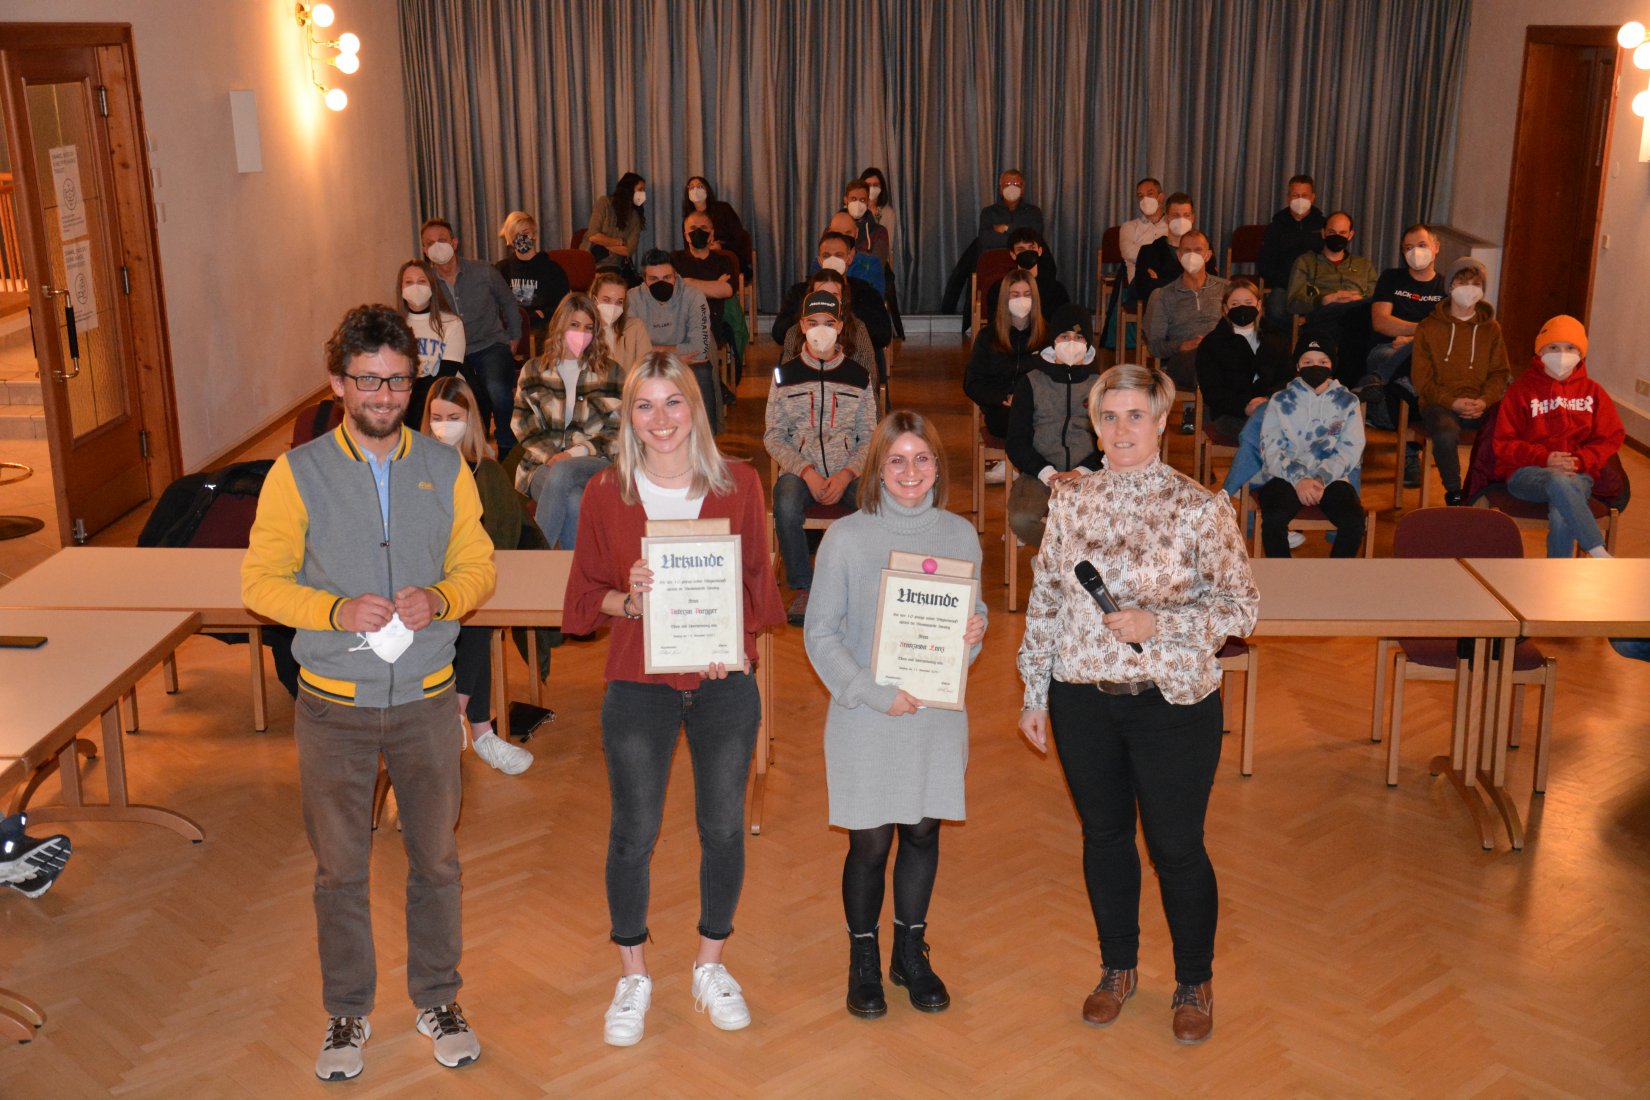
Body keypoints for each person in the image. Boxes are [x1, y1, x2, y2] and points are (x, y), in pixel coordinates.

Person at [242, 304, 496, 1080]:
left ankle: (438, 999)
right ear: (337, 383)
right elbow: (260, 583)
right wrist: (334, 610)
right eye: (368, 380)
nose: (384, 396)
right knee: (340, 871)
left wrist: (442, 599)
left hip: (425, 702)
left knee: (437, 863)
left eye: (397, 381)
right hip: (333, 708)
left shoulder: (445, 467)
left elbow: (478, 566)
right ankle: (346, 1013)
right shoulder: (298, 473)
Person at [1016, 362, 1258, 1046]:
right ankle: (1117, 969)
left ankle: (1193, 980)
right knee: (1104, 838)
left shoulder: (1200, 507)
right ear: (1095, 426)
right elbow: (1047, 597)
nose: (1122, 429)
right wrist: (1035, 690)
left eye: (1135, 415)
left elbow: (1242, 607)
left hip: (1171, 704)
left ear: (1161, 422)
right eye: (1109, 416)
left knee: (1177, 848)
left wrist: (1162, 624)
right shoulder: (1071, 500)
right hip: (1081, 698)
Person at [562, 352, 784, 1047]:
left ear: (695, 407)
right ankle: (632, 974)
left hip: (722, 684)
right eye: (645, 405)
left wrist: (737, 643)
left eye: (673, 402)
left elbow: (757, 584)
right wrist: (629, 599)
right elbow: (582, 600)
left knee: (723, 829)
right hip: (638, 683)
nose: (661, 419)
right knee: (634, 832)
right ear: (629, 416)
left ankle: (709, 964)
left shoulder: (739, 483)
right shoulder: (606, 492)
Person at [803, 410, 988, 1018]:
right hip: (865, 713)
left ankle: (910, 952)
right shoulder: (846, 537)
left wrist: (975, 632)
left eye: (922, 458)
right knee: (870, 843)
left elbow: (971, 617)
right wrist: (872, 692)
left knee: (923, 831)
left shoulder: (960, 535)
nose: (911, 471)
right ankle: (863, 957)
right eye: (898, 460)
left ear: (938, 465)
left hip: (935, 712)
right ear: (878, 469)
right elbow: (819, 634)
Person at [422, 376, 535, 775]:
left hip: (471, 577)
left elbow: (500, 537)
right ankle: (481, 732)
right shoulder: (415, 467)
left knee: (475, 614)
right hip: (425, 580)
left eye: (453, 418)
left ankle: (458, 715)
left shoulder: (486, 472)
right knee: (468, 615)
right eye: (436, 417)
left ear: (470, 419)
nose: (443, 427)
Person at [764, 290, 878, 625]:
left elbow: (870, 437)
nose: (820, 329)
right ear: (802, 325)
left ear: (840, 327)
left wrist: (847, 474)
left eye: (828, 323)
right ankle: (805, 588)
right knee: (785, 501)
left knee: (874, 502)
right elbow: (773, 435)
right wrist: (806, 471)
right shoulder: (784, 375)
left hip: (848, 472)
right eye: (813, 322)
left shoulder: (858, 376)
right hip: (800, 473)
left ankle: (860, 585)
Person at [1490, 315, 1624, 558]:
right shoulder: (1520, 391)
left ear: (1581, 353)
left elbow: (1609, 438)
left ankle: (1556, 575)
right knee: (1557, 479)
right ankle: (1598, 550)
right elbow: (1504, 442)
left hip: (1578, 474)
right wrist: (1545, 459)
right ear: (1540, 351)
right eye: (1553, 347)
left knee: (1562, 514)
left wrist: (1579, 461)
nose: (1562, 354)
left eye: (1570, 347)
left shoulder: (1594, 392)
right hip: (1526, 474)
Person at [512, 294, 625, 549]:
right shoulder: (533, 370)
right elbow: (522, 423)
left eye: (588, 327)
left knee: (564, 471)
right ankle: (574, 570)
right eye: (574, 325)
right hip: (541, 465)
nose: (581, 333)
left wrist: (574, 453)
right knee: (573, 500)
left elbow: (619, 430)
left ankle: (535, 560)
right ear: (560, 325)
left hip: (596, 463)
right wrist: (551, 455)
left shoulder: (612, 372)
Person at [1411, 257, 1511, 505]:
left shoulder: (1492, 329)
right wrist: (1452, 402)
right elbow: (1422, 379)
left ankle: (1485, 488)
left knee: (1505, 429)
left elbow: (1500, 373)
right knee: (1445, 433)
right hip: (1440, 403)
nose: (1469, 288)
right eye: (1462, 282)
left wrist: (1484, 400)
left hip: (1481, 403)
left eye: (1476, 284)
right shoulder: (1428, 327)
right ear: (1450, 287)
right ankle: (1455, 492)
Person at [1256, 336, 1367, 558]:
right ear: (1297, 366)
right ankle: (1282, 575)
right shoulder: (1280, 400)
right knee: (1274, 520)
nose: (1315, 367)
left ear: (1332, 365)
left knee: (1354, 522)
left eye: (1322, 362)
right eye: (1307, 362)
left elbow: (1350, 448)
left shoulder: (1347, 401)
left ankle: (1334, 576)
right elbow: (1271, 448)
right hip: (1285, 475)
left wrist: (1320, 479)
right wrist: (1299, 479)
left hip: (1331, 477)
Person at [420, 217, 524, 452]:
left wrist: (514, 338)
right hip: (451, 353)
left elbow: (508, 302)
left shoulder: (484, 271)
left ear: (454, 243)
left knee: (498, 391)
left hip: (490, 345)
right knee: (465, 398)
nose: (437, 246)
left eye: (442, 240)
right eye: (430, 243)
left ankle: (507, 446)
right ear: (425, 250)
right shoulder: (426, 283)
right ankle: (473, 448)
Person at [1005, 304, 1102, 551]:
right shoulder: (1031, 382)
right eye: (1064, 337)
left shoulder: (1100, 385)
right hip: (1040, 472)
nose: (1072, 343)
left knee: (1101, 524)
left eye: (1079, 338)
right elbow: (1016, 441)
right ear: (1053, 342)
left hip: (1089, 475)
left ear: (1088, 344)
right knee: (1021, 519)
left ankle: (1055, 559)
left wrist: (1082, 471)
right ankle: (1062, 558)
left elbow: (1109, 442)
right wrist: (1045, 472)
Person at [1194, 277, 1292, 498]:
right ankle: (1258, 489)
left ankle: (1242, 484)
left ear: (1259, 305)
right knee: (1270, 431)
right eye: (1235, 304)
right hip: (1231, 414)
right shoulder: (1212, 344)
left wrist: (1267, 400)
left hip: (1273, 409)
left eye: (1248, 303)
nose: (1242, 308)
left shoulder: (1277, 338)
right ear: (1225, 309)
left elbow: (1287, 379)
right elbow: (1213, 391)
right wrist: (1245, 406)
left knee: (1274, 426)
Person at [966, 270, 1047, 486]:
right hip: (1001, 409)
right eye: (1015, 295)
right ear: (1005, 299)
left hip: (1038, 407)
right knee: (1015, 419)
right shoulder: (987, 337)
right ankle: (1018, 463)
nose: (1022, 300)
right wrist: (1003, 397)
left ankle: (1030, 466)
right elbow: (972, 383)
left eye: (1027, 294)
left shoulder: (1047, 336)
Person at [1359, 223, 1446, 411]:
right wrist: (1424, 330)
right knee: (1409, 361)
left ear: (1436, 247)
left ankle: (1381, 384)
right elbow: (1381, 322)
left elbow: (1446, 333)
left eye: (1422, 245)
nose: (1416, 252)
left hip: (1427, 351)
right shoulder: (1391, 278)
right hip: (1388, 347)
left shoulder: (1446, 287)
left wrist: (1411, 340)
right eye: (1409, 247)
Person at [627, 250, 719, 425]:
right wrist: (673, 357)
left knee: (701, 372)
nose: (661, 283)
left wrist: (653, 350)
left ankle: (706, 437)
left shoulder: (694, 296)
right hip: (651, 362)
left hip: (687, 363)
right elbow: (631, 349)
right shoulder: (631, 299)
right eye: (653, 279)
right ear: (644, 279)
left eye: (667, 277)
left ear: (675, 275)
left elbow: (699, 349)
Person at [772, 230, 893, 361]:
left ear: (849, 258)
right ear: (819, 260)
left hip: (851, 361)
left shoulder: (866, 293)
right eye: (826, 255)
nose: (832, 260)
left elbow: (883, 336)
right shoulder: (799, 292)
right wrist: (810, 312)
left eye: (839, 255)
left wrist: (844, 313)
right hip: (807, 362)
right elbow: (778, 333)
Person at [1285, 210, 1378, 379]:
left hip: (1357, 318)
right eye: (1332, 232)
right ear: (1323, 233)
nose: (1337, 236)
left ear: (1350, 235)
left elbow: (1376, 300)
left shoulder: (1364, 265)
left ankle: (1350, 380)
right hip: (1323, 316)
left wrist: (1359, 300)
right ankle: (1353, 382)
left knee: (1360, 318)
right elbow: (1293, 302)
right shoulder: (1306, 262)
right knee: (1359, 321)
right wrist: (1324, 299)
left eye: (1342, 233)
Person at [1144, 231, 1228, 391]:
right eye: (1187, 251)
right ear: (1179, 255)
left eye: (1198, 250)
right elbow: (1155, 346)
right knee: (1204, 360)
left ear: (1208, 255)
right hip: (1185, 359)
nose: (1192, 255)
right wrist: (1182, 345)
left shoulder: (1226, 289)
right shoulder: (1165, 295)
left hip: (1222, 352)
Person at [673, 209, 746, 386]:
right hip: (679, 321)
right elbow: (672, 290)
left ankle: (711, 390)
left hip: (712, 323)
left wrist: (687, 282)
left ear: (712, 234)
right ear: (686, 235)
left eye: (703, 228)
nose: (698, 232)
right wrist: (713, 285)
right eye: (693, 228)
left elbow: (726, 290)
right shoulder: (675, 259)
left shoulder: (724, 260)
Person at [396, 259, 466, 428]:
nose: (416, 287)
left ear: (432, 286)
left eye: (422, 281)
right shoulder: (393, 325)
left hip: (442, 389)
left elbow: (447, 371)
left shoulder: (452, 323)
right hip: (406, 391)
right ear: (401, 288)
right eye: (409, 282)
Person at [1257, 174, 1326, 326]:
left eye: (1305, 195)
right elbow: (1265, 265)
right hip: (1284, 285)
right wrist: (1290, 282)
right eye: (1295, 195)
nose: (1300, 200)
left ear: (1313, 197)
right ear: (1288, 198)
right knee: (1275, 311)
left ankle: (1309, 333)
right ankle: (1292, 337)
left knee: (1328, 309)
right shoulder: (1276, 226)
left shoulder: (1323, 225)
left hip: (1316, 284)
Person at [494, 210, 569, 346]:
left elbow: (563, 305)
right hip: (509, 328)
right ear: (509, 239)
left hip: (542, 329)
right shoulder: (501, 269)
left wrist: (542, 313)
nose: (521, 238)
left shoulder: (552, 270)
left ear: (534, 235)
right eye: (515, 235)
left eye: (525, 233)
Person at [779, 269, 872, 367]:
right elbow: (787, 373)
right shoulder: (794, 333)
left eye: (834, 295)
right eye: (821, 293)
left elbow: (867, 373)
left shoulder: (857, 330)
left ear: (843, 299)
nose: (827, 300)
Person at [983, 227, 1071, 324]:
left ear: (1040, 251)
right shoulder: (999, 289)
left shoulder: (1056, 290)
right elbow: (995, 325)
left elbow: (1064, 323)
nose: (1027, 253)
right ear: (1013, 254)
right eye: (1021, 249)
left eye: (1032, 248)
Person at [860, 165, 905, 339]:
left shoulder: (887, 213)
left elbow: (887, 245)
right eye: (868, 185)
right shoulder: (853, 210)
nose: (872, 189)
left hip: (877, 261)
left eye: (875, 185)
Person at [1129, 192, 1197, 308]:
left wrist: (1160, 281)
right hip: (1161, 312)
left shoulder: (1203, 250)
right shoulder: (1148, 252)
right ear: (1166, 218)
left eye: (1186, 215)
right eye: (1176, 215)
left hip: (1195, 312)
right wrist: (1189, 282)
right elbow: (1145, 290)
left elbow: (1209, 286)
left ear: (1193, 218)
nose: (1181, 220)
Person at [681, 175, 752, 273]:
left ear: (707, 190)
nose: (695, 190)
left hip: (728, 258)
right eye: (691, 187)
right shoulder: (688, 220)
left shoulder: (723, 209)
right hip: (701, 263)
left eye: (700, 186)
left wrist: (721, 247)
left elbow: (741, 239)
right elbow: (687, 248)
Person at [584, 171, 647, 278]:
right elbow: (593, 236)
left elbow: (627, 251)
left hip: (612, 265)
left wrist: (602, 242)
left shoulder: (635, 217)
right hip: (588, 259)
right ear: (628, 189)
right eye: (640, 189)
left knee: (606, 280)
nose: (643, 194)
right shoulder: (604, 203)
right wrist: (619, 242)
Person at [591, 271, 652, 373]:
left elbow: (647, 368)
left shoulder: (635, 327)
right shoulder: (584, 331)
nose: (613, 307)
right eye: (606, 300)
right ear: (594, 300)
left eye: (619, 302)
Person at [977, 167, 1045, 253]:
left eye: (1016, 184)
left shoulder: (1033, 212)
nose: (1012, 188)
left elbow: (1035, 237)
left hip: (1025, 258)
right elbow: (985, 239)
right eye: (1007, 184)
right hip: (996, 258)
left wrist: (1007, 228)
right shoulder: (989, 212)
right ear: (1001, 189)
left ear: (1023, 189)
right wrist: (1021, 237)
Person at [1119, 177, 1169, 284]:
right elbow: (1129, 254)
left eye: (1150, 194)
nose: (1145, 200)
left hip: (1168, 284)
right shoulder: (1128, 227)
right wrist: (1164, 255)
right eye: (1140, 196)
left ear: (1161, 197)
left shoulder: (1173, 227)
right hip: (1139, 284)